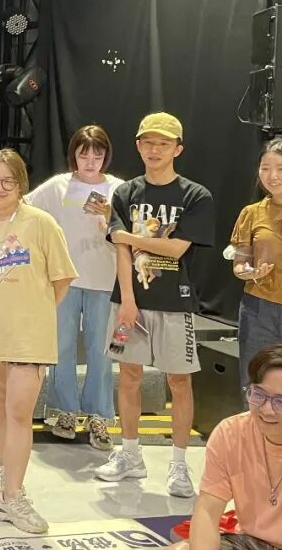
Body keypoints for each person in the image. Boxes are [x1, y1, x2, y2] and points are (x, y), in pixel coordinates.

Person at [95, 112, 214, 498]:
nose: (155, 149)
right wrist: (127, 300)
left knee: (179, 381)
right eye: (148, 142)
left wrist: (128, 237)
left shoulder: (195, 196)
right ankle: (130, 454)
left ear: (177, 149)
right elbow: (119, 252)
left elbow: (176, 249)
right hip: (129, 302)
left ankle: (179, 464)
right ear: (138, 146)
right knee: (128, 375)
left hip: (175, 303)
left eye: (163, 143)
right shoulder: (125, 193)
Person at [0, 148, 77, 534]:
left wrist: (34, 313)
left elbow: (62, 279)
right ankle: (4, 470)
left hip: (30, 334)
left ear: (21, 184)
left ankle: (12, 497)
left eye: (8, 181)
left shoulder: (42, 223)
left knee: (19, 411)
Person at [25, 124, 123, 450]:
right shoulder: (59, 186)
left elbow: (134, 231)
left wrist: (110, 216)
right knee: (61, 346)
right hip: (64, 279)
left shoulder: (118, 189)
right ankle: (64, 410)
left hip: (104, 279)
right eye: (84, 155)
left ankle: (99, 416)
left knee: (101, 351)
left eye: (98, 155)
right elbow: (26, 208)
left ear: (106, 156)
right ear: (74, 156)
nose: (91, 162)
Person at [159, 344, 282, 550]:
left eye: (279, 401)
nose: (267, 409)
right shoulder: (231, 433)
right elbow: (207, 511)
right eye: (259, 394)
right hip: (256, 547)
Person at [229, 137, 282, 389]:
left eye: (280, 168)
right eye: (265, 168)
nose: (273, 176)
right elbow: (239, 264)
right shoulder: (251, 213)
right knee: (255, 382)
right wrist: (249, 272)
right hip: (259, 308)